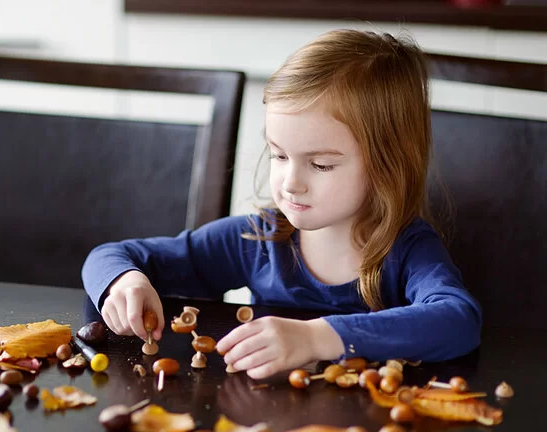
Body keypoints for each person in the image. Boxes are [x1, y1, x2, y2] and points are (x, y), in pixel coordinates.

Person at [81, 29, 481, 380]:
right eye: (279, 155)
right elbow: (112, 254)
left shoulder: (408, 249)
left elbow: (458, 320)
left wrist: (316, 337)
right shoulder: (258, 239)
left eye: (321, 164)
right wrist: (125, 281)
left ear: (388, 164)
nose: (291, 183)